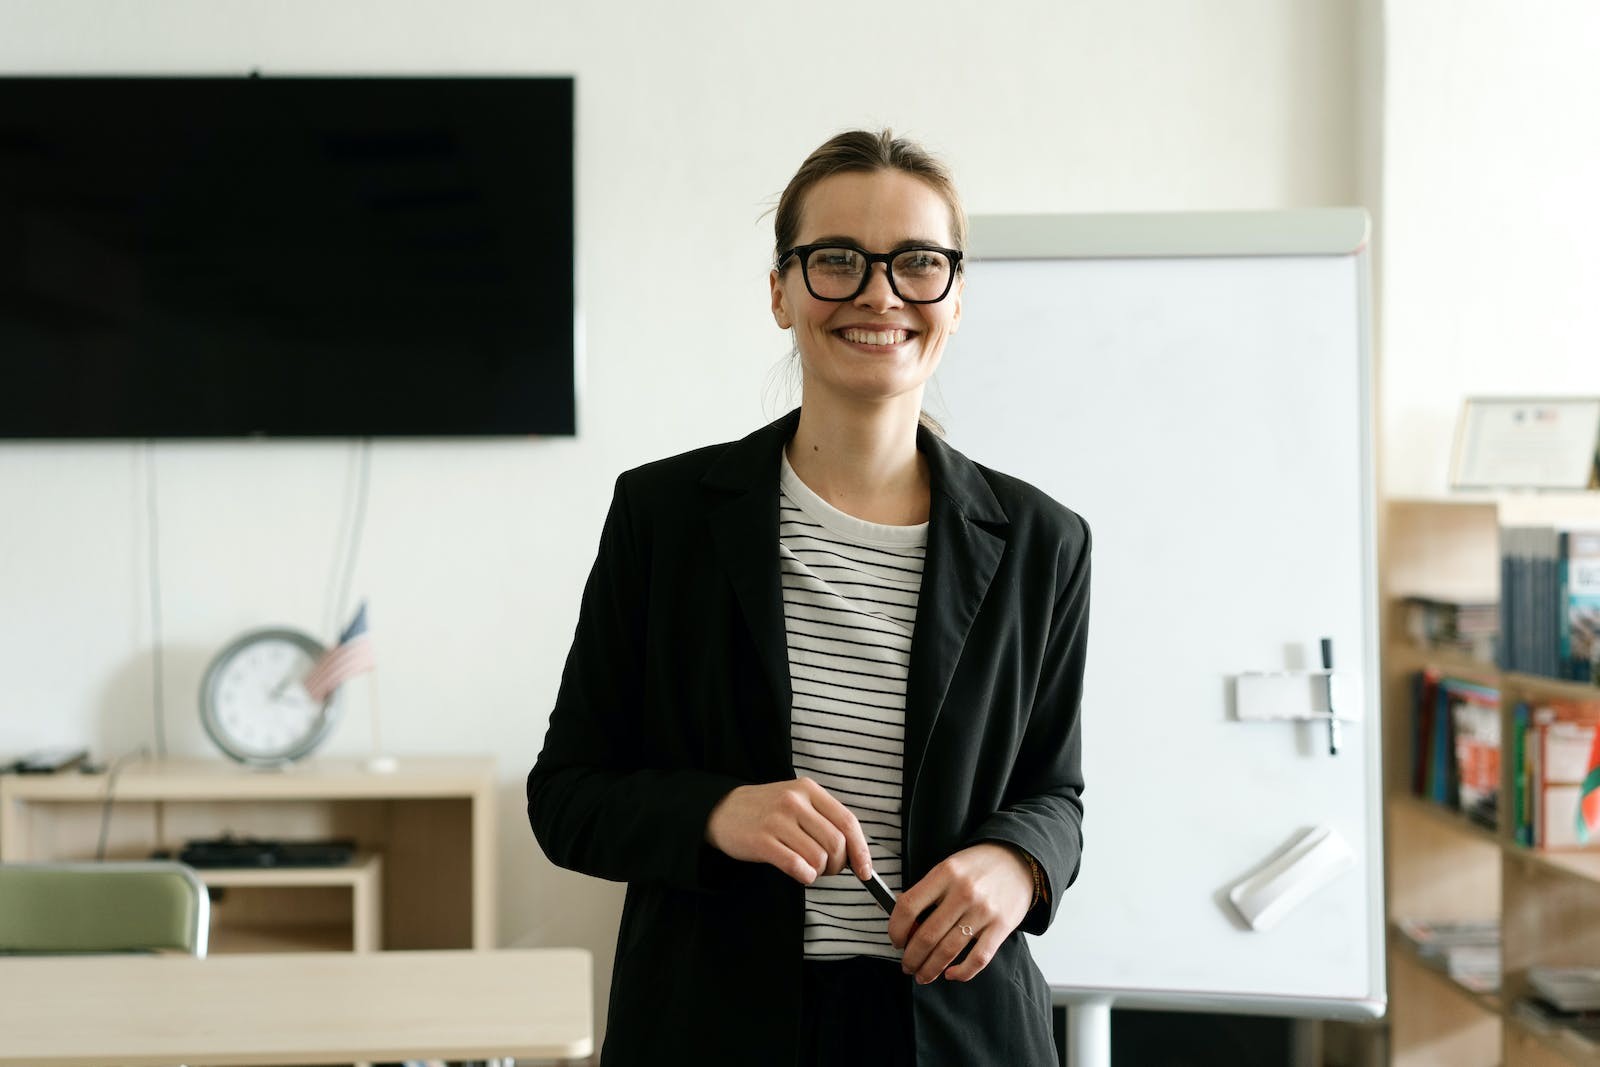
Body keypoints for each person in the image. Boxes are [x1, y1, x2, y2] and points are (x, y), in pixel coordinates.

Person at [527, 129, 1092, 1067]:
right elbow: (567, 795)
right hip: (713, 1027)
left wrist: (1018, 864)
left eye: (919, 262)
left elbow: (1055, 795)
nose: (880, 293)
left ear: (955, 294)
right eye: (837, 260)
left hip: (959, 1032)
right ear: (782, 291)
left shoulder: (1042, 540)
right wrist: (720, 813)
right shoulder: (664, 516)